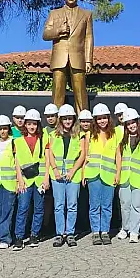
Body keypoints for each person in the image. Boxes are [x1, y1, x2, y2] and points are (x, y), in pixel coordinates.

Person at [42, 0, 94, 112]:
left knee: (81, 91)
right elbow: (45, 34)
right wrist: (59, 31)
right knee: (58, 91)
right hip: (59, 57)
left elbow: (89, 38)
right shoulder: (54, 13)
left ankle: (83, 120)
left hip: (78, 57)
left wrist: (88, 60)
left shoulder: (86, 14)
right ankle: (55, 122)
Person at [48, 104, 85, 247]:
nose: (68, 121)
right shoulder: (53, 135)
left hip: (73, 175)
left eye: (70, 119)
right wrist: (55, 169)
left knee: (72, 205)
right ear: (60, 120)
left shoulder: (79, 135)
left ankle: (70, 233)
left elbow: (82, 155)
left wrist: (72, 171)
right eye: (65, 119)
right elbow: (49, 154)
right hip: (57, 175)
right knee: (58, 205)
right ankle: (59, 233)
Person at [13, 109, 50, 250]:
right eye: (29, 124)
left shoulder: (43, 139)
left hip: (39, 179)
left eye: (34, 124)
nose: (31, 127)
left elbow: (47, 160)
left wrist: (46, 178)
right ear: (25, 125)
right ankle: (19, 237)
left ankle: (34, 235)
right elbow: (17, 162)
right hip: (26, 180)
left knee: (39, 208)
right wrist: (19, 180)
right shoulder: (18, 141)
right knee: (23, 208)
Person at [115, 108, 140, 243]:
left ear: (137, 122)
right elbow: (118, 156)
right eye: (128, 123)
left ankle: (134, 231)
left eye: (133, 122)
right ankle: (125, 228)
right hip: (125, 177)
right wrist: (118, 174)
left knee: (137, 206)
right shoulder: (122, 138)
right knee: (125, 205)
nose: (131, 125)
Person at [0, 115, 25, 249]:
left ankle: (5, 238)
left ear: (8, 129)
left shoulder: (14, 142)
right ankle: (0, 235)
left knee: (7, 211)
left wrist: (17, 181)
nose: (3, 131)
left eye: (5, 128)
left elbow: (17, 163)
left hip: (9, 183)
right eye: (0, 129)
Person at [84, 103, 118, 245]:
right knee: (94, 205)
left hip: (109, 174)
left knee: (106, 205)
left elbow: (118, 155)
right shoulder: (89, 135)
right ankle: (95, 232)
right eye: (99, 118)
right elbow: (85, 156)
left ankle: (105, 231)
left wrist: (118, 173)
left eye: (104, 118)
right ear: (95, 120)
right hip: (93, 174)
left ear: (108, 119)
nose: (102, 121)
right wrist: (83, 175)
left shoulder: (115, 134)